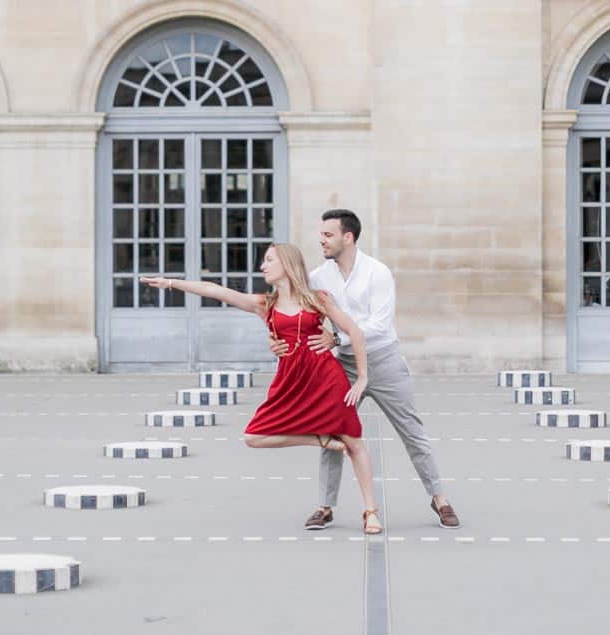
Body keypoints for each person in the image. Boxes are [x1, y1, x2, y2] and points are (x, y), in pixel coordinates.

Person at [139, 243, 386, 534]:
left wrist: (361, 378)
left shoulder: (318, 299)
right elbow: (215, 289)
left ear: (287, 264)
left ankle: (370, 512)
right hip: (290, 381)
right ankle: (321, 440)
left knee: (355, 443)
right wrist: (170, 283)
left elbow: (354, 332)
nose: (262, 266)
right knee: (254, 436)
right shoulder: (264, 304)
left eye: (269, 260)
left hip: (326, 379)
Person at [273, 208, 461, 531]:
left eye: (328, 235)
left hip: (384, 361)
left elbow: (378, 324)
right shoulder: (319, 278)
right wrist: (275, 342)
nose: (322, 241)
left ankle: (440, 499)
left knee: (412, 432)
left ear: (348, 237)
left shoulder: (378, 273)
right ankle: (325, 506)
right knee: (331, 431)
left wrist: (337, 337)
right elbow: (293, 312)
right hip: (343, 365)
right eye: (321, 235)